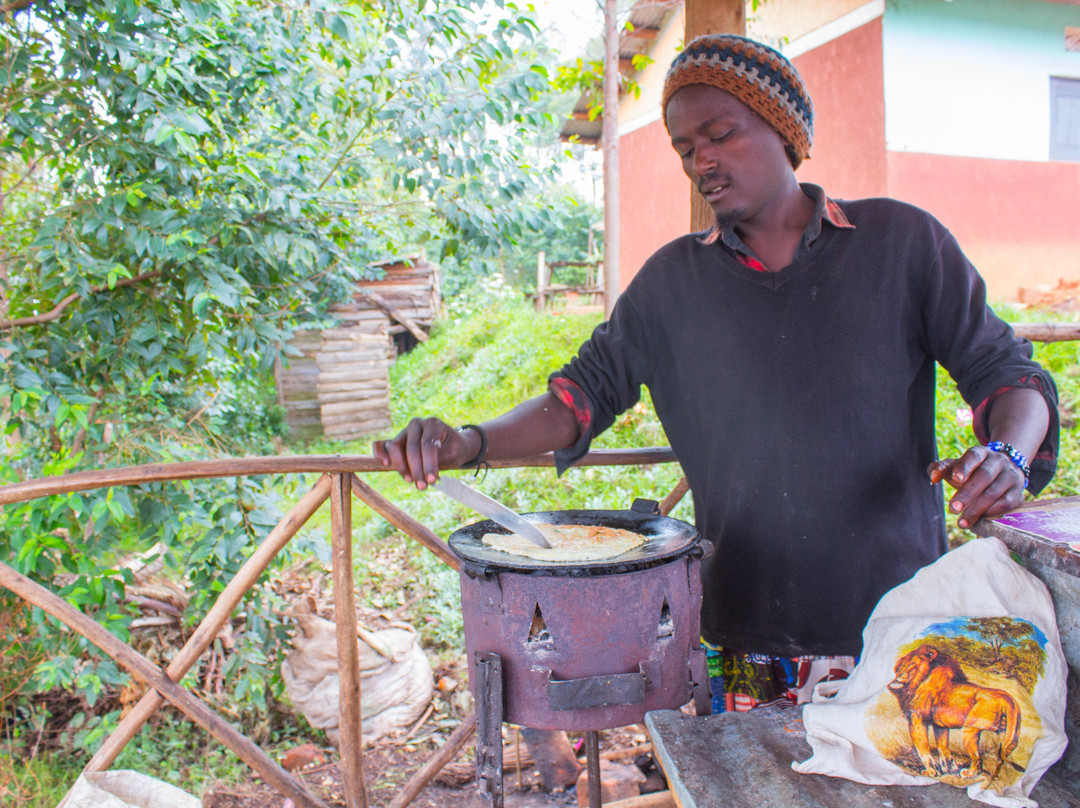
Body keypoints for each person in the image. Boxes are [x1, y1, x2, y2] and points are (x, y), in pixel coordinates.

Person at [374, 35, 1058, 714]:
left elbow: (1008, 377)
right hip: (745, 635)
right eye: (683, 148)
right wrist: (467, 441)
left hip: (902, 631)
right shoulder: (673, 285)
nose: (701, 160)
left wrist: (1007, 454)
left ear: (783, 129)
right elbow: (576, 400)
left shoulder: (902, 245)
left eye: (720, 134)